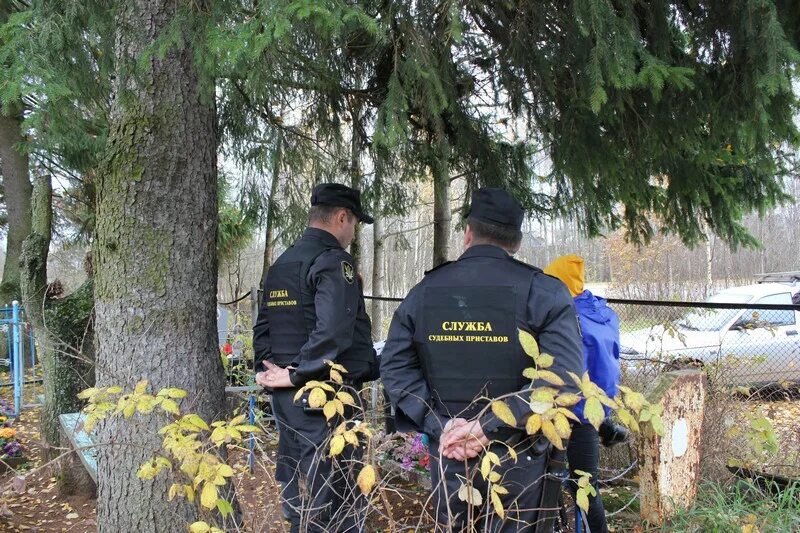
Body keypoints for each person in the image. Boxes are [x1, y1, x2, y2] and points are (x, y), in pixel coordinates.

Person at [380, 187, 585, 532]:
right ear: (516, 242)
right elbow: (563, 378)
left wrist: (442, 426)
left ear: (468, 234)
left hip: (450, 454)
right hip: (520, 462)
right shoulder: (544, 292)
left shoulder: (423, 292)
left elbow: (394, 367)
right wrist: (485, 428)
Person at [253, 183, 378, 533]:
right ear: (342, 217)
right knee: (340, 494)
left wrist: (267, 371)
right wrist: (297, 373)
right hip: (327, 398)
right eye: (354, 224)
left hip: (285, 400)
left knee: (300, 491)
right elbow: (334, 331)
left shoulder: (282, 263)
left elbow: (263, 327)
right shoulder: (333, 261)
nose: (353, 234)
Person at [544, 255, 627, 533]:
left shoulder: (566, 317)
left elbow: (563, 369)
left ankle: (555, 526)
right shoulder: (602, 313)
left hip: (565, 411)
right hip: (594, 411)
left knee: (546, 480)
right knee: (587, 486)